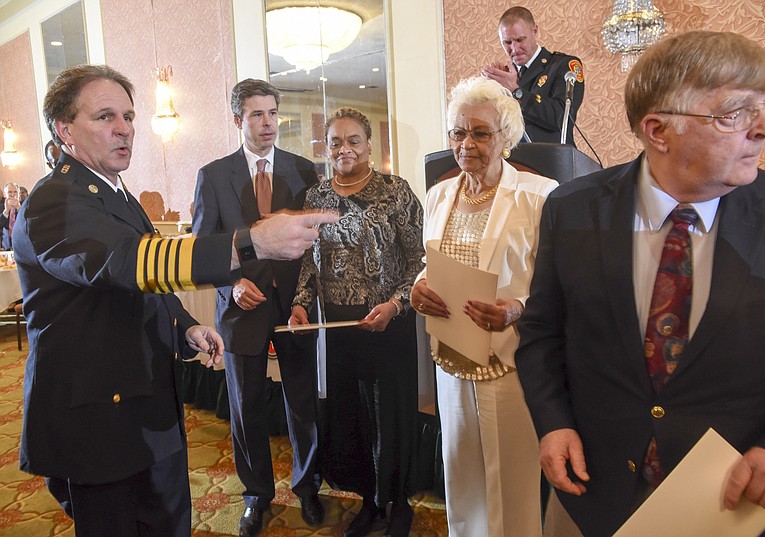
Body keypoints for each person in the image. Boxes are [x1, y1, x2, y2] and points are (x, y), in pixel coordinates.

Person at [13, 64, 337, 537]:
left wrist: (183, 323)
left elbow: (144, 284)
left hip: (147, 403)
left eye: (128, 115)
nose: (124, 128)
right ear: (64, 130)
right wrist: (251, 243)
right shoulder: (52, 201)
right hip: (96, 416)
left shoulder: (116, 194)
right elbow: (128, 262)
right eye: (105, 117)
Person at [515, 31, 765, 537]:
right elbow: (542, 332)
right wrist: (552, 421)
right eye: (736, 113)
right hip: (595, 496)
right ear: (658, 130)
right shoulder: (571, 209)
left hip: (740, 506)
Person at [410, 76, 558, 537]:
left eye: (480, 132)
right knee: (462, 475)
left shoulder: (539, 196)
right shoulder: (438, 194)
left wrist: (517, 308)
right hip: (452, 354)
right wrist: (418, 286)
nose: (466, 143)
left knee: (511, 482)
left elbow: (562, 284)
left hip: (509, 359)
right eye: (458, 132)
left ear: (506, 137)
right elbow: (429, 261)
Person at [192, 78, 324, 536]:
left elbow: (314, 247)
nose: (268, 123)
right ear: (237, 120)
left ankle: (308, 487)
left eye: (273, 113)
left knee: (302, 400)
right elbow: (203, 249)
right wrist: (232, 284)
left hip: (295, 310)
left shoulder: (305, 171)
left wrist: (305, 299)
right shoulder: (213, 175)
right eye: (256, 114)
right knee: (245, 406)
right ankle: (256, 495)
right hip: (240, 310)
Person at [289, 107, 424, 537]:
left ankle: (398, 502)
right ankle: (369, 501)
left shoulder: (395, 191)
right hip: (341, 327)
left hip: (389, 321)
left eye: (353, 141)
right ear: (326, 148)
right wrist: (301, 304)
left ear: (369, 145)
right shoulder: (316, 198)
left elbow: (418, 260)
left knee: (392, 415)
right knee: (354, 416)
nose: (344, 149)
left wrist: (396, 305)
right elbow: (309, 263)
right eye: (335, 142)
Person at [481, 6, 585, 146]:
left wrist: (516, 92)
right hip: (512, 161)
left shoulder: (564, 65)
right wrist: (491, 90)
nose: (515, 49)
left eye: (520, 40)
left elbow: (561, 118)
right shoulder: (505, 76)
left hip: (551, 160)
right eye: (507, 42)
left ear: (535, 31)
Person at [0, 182, 20, 250]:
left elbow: (28, 223)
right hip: (6, 245)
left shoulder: (25, 206)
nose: (12, 194)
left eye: (15, 192)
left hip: (21, 245)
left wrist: (19, 208)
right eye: (9, 192)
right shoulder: (1, 207)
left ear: (18, 193)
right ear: (5, 194)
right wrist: (6, 211)